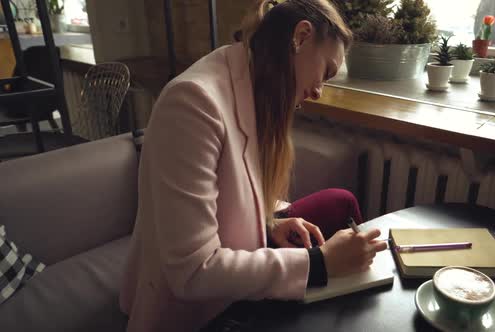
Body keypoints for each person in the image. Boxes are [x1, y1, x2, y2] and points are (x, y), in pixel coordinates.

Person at [119, 1, 388, 331]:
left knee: (338, 201)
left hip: (236, 269)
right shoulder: (192, 103)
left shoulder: (250, 81)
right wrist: (320, 264)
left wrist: (271, 220)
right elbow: (192, 273)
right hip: (197, 312)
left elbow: (231, 184)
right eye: (326, 73)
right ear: (301, 37)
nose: (319, 91)